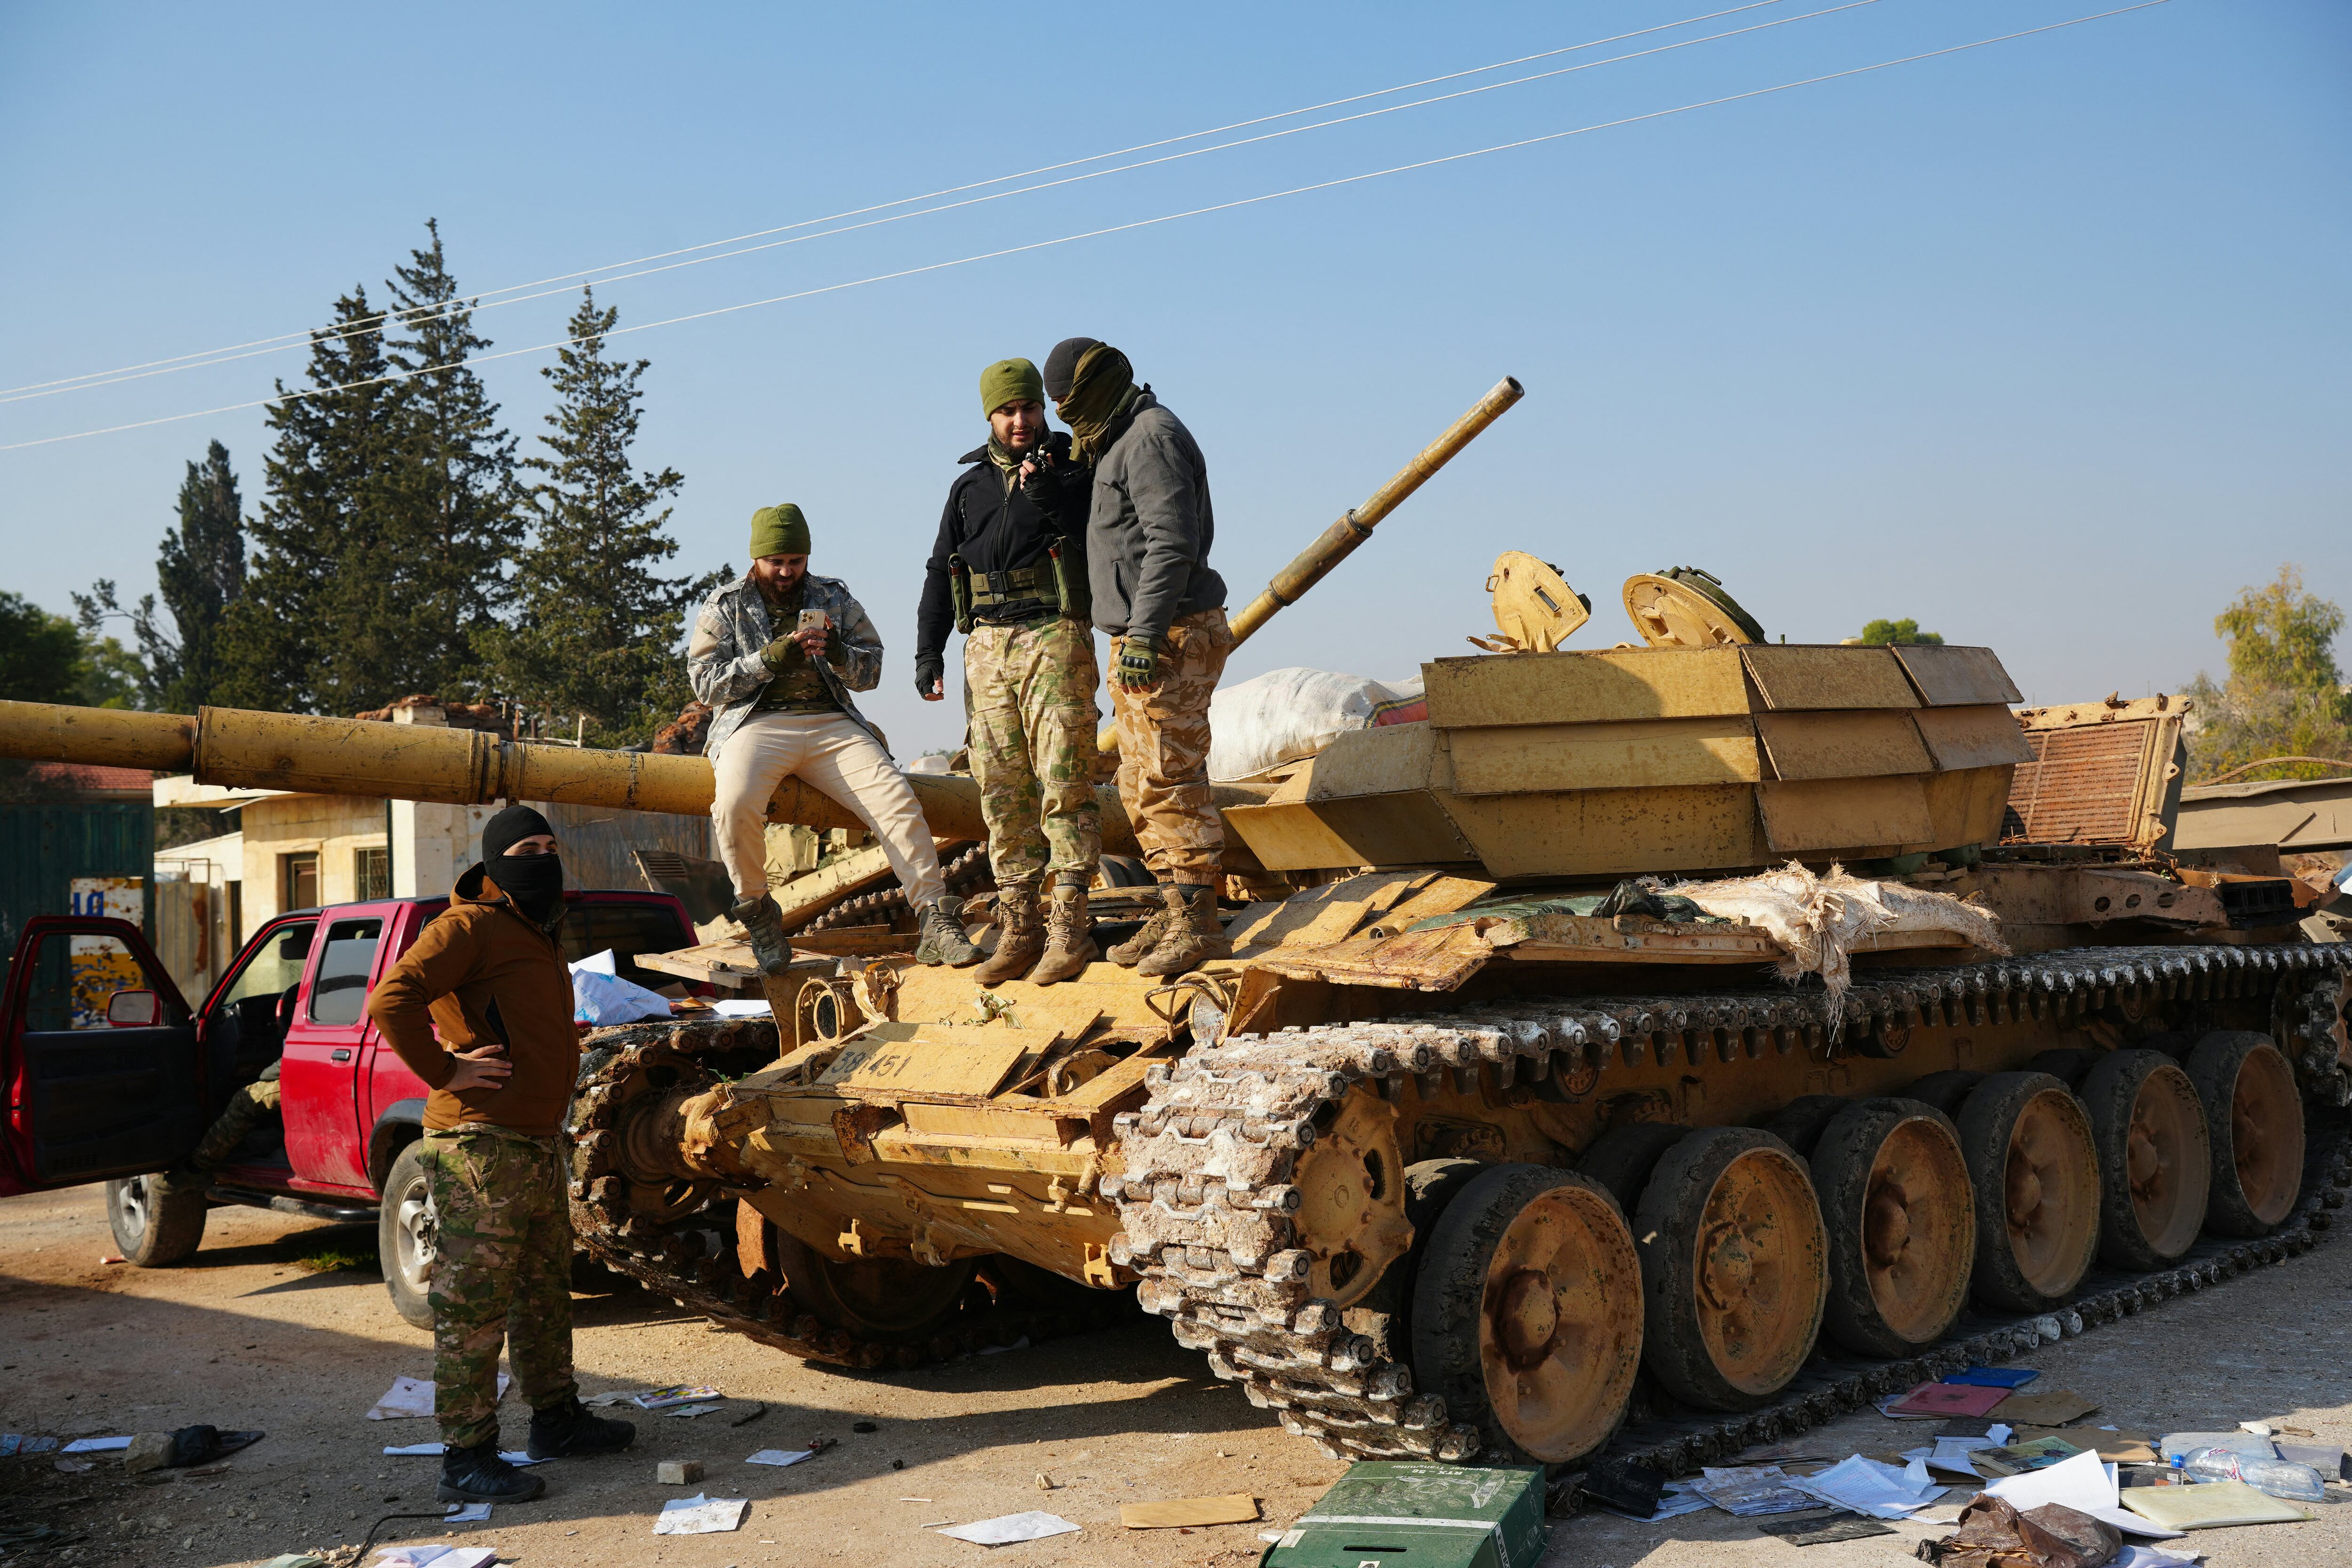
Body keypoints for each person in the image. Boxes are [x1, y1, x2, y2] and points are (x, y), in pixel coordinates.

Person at [365, 806, 636, 1504]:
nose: (543, 857)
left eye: (550, 845)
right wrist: (446, 1069)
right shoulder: (469, 926)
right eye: (526, 848)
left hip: (534, 1140)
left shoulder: (537, 927)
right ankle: (467, 1456)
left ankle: (557, 1421)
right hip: (479, 1143)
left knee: (544, 1294)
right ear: (494, 862)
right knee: (473, 1307)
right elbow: (392, 998)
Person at [691, 503, 978, 974]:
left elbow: (872, 671)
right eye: (776, 562)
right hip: (756, 724)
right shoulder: (725, 604)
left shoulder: (833, 597)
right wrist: (769, 660)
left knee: (896, 801)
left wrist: (840, 653)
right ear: (756, 558)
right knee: (733, 804)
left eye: (796, 561)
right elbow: (705, 684)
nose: (786, 572)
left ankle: (934, 917)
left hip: (831, 723)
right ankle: (758, 911)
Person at [1042, 338, 1232, 976]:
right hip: (1143, 635)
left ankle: (1199, 925)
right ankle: (1176, 908)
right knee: (1139, 782)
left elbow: (1171, 543)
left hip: (1170, 634)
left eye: (1067, 400)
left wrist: (1146, 635)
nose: (1061, 413)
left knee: (1171, 778)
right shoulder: (1115, 440)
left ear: (1094, 389)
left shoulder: (1150, 437)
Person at [915, 358, 1101, 986]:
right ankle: (1020, 927)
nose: (1019, 421)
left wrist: (1049, 492)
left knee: (1064, 777)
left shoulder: (1071, 468)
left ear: (1042, 410)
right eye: (1007, 411)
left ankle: (1070, 929)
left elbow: (1094, 536)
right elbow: (941, 569)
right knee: (1000, 786)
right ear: (990, 417)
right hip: (986, 644)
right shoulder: (968, 489)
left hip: (1053, 633)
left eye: (1028, 408)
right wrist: (928, 653)